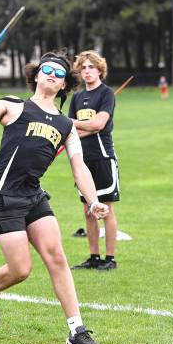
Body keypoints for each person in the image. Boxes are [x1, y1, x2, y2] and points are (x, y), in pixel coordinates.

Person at [0, 50, 109, 344]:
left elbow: (79, 166)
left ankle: (76, 330)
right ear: (36, 76)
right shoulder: (13, 106)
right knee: (21, 269)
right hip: (1, 195)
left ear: (64, 85)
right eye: (46, 69)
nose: (52, 74)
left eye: (59, 73)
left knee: (57, 257)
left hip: (32, 194)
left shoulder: (66, 125)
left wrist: (93, 200)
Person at [69, 50, 120, 271]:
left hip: (103, 158)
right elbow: (69, 129)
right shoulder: (77, 98)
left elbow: (99, 124)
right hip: (82, 161)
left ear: (100, 69)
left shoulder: (106, 94)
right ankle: (94, 257)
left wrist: (81, 125)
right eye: (83, 68)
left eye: (91, 67)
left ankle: (110, 259)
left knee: (105, 209)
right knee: (88, 210)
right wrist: (84, 126)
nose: (87, 71)